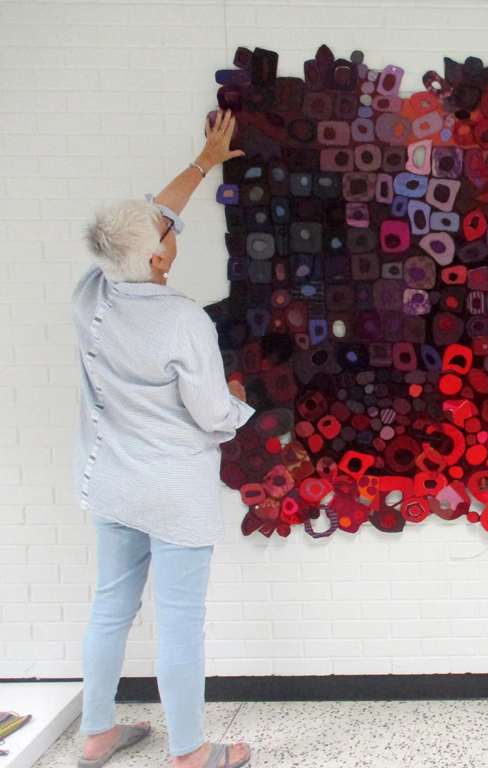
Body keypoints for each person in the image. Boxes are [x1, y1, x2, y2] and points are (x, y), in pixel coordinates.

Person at [74, 111, 254, 768]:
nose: (172, 230)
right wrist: (246, 410)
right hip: (173, 494)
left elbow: (154, 213)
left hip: (113, 484)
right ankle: (191, 753)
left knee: (110, 606)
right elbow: (211, 415)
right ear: (156, 255)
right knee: (180, 622)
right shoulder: (181, 321)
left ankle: (97, 734)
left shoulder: (90, 295)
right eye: (165, 233)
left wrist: (204, 161)